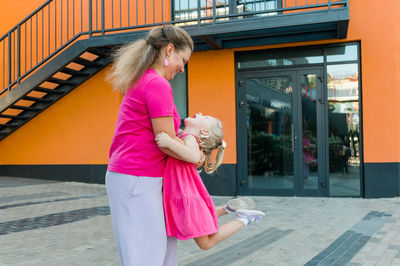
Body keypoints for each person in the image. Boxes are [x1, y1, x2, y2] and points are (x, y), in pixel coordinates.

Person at [105, 25, 194, 266]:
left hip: (136, 176)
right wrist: (196, 154)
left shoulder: (146, 80)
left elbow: (166, 135)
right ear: (169, 49)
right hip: (137, 177)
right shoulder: (157, 84)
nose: (182, 68)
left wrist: (186, 138)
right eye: (182, 60)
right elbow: (165, 141)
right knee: (146, 255)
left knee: (155, 252)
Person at [155, 113, 265, 250]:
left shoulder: (191, 139)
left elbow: (194, 156)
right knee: (200, 219)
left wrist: (169, 142)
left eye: (205, 117)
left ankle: (244, 219)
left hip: (184, 195)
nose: (200, 113)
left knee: (206, 243)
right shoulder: (186, 137)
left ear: (204, 131)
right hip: (186, 193)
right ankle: (227, 209)